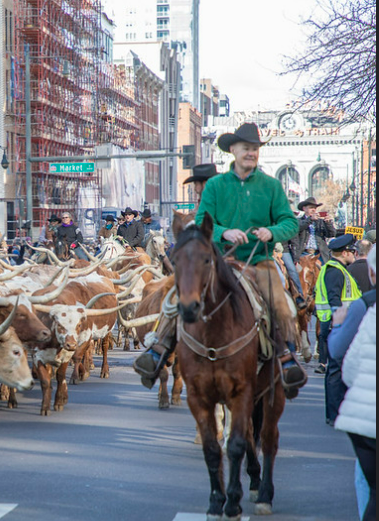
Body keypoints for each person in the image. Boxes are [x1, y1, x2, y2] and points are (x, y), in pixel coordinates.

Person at [134, 122, 306, 397]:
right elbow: (202, 220)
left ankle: (287, 358)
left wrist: (270, 231)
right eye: (245, 148)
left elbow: (290, 222)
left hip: (258, 261)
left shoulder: (271, 186)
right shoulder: (215, 186)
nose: (250, 153)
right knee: (178, 296)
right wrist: (226, 232)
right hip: (219, 261)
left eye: (254, 149)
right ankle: (159, 348)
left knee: (282, 304)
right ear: (233, 151)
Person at [328, 245, 375, 521]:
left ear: (371, 274)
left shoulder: (366, 307)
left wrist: (336, 324)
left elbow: (346, 360)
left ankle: (287, 350)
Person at [313, 233, 361, 423]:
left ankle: (336, 412)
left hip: (336, 325)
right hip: (336, 325)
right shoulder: (335, 271)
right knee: (335, 371)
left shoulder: (337, 269)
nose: (354, 254)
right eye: (352, 251)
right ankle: (334, 415)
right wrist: (340, 326)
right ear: (344, 252)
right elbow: (335, 300)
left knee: (337, 370)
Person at [292, 197, 336, 263]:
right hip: (303, 253)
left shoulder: (320, 222)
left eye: (315, 208)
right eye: (311, 207)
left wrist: (328, 223)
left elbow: (331, 234)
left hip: (319, 254)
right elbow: (298, 228)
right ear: (304, 208)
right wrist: (310, 219)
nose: (313, 210)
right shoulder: (299, 221)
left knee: (324, 271)